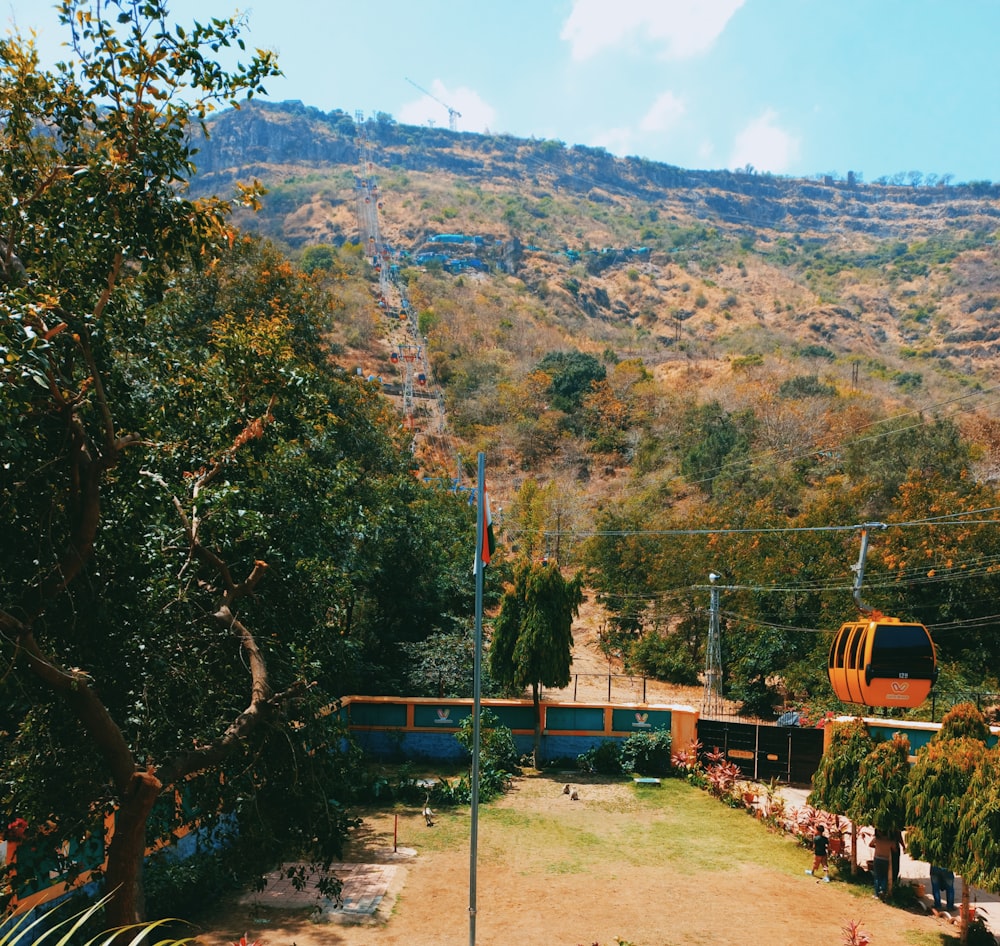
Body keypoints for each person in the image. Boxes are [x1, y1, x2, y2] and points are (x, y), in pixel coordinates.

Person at [871, 830, 893, 899]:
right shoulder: (889, 841)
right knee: (884, 876)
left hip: (877, 859)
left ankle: (877, 894)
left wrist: (877, 847)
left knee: (877, 876)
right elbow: (895, 849)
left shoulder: (877, 839)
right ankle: (883, 890)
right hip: (885, 860)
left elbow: (870, 844)